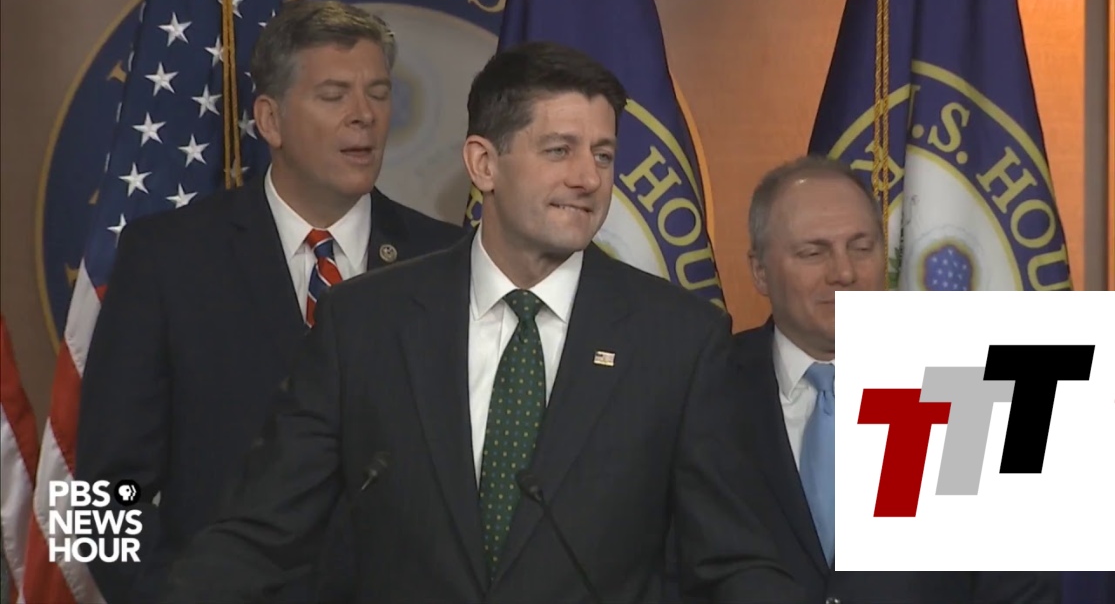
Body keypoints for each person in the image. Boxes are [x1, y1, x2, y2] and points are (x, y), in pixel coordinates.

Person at [158, 40, 803, 604]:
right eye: (559, 150)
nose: (588, 178)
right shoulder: (365, 324)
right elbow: (259, 534)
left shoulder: (678, 340)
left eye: (604, 155)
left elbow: (735, 561)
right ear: (483, 164)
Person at [75, 0, 466, 604]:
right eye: (333, 95)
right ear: (271, 120)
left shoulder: (446, 261)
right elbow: (103, 495)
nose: (364, 115)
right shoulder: (168, 259)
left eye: (379, 93)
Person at [732, 155, 1062, 603]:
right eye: (814, 253)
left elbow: (1023, 587)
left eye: (862, 248)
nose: (844, 272)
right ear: (760, 271)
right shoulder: (706, 387)